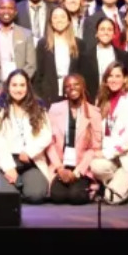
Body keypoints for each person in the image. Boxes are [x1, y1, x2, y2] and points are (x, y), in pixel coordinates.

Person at [0, 70, 53, 201]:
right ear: (8, 87)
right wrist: (8, 167)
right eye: (14, 85)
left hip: (30, 160)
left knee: (36, 195)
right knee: (8, 198)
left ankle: (24, 185)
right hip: (5, 160)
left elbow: (46, 134)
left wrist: (29, 151)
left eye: (22, 85)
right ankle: (15, 185)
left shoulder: (38, 107)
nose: (18, 89)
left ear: (28, 86)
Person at [90, 62, 128, 203]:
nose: (113, 80)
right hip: (109, 158)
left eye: (118, 76)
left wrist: (106, 153)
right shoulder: (100, 100)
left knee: (111, 199)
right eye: (110, 76)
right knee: (95, 166)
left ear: (125, 79)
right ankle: (113, 183)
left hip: (125, 157)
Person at [46, 73, 102, 204]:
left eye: (76, 84)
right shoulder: (55, 109)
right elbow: (49, 143)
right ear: (64, 90)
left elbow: (95, 148)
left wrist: (77, 172)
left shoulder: (94, 113)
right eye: (68, 86)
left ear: (83, 87)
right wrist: (60, 169)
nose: (72, 88)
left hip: (81, 167)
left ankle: (91, 188)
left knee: (76, 196)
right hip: (60, 166)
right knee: (58, 196)